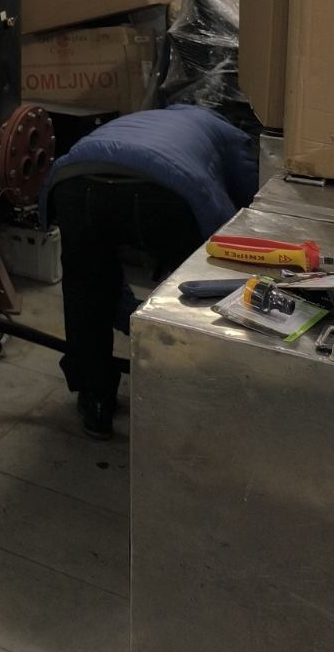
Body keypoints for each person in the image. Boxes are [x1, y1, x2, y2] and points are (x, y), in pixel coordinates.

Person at [40, 106, 258, 439]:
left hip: (73, 181)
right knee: (202, 289)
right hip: (165, 192)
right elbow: (249, 201)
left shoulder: (148, 117)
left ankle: (95, 399)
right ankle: (190, 393)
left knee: (86, 288)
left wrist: (126, 311)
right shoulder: (225, 130)